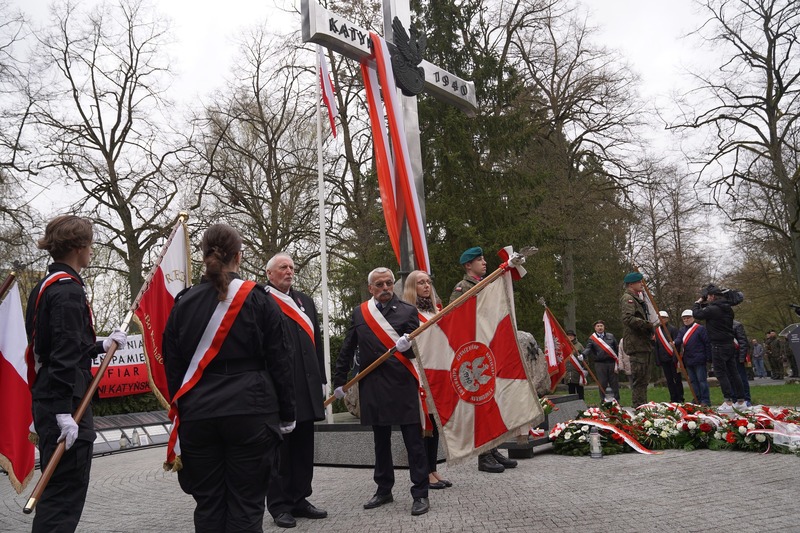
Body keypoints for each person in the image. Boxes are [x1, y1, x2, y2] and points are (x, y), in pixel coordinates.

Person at [163, 223, 295, 532]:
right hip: (251, 411)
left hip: (199, 413)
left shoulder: (183, 303)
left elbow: (172, 364)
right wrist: (288, 414)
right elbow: (280, 360)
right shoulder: (261, 299)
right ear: (238, 256)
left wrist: (185, 408)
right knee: (247, 506)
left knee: (208, 505)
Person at [25, 215, 126, 533]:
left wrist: (100, 345)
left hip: (54, 397)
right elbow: (62, 356)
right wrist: (62, 412)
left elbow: (64, 345)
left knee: (57, 493)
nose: (92, 251)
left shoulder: (46, 286)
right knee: (63, 498)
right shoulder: (68, 291)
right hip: (66, 403)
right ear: (80, 247)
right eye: (91, 244)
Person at [333, 267, 430, 516]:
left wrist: (408, 347)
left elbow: (419, 352)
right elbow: (347, 348)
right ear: (371, 288)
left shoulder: (408, 311)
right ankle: (383, 489)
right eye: (380, 284)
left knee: (413, 442)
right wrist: (339, 381)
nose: (386, 288)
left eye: (388, 283)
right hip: (373, 385)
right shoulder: (360, 313)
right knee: (380, 442)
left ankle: (420, 493)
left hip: (402, 382)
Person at [265, 253, 327, 528]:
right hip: (279, 387)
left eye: (291, 267)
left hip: (307, 384)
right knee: (281, 451)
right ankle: (279, 505)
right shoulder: (262, 300)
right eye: (283, 267)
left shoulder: (306, 301)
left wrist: (323, 380)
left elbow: (317, 343)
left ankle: (300, 498)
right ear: (270, 274)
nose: (289, 271)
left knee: (304, 446)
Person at [448, 246, 517, 474]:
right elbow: (455, 317)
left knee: (492, 400)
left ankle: (493, 447)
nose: (484, 262)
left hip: (488, 346)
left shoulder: (487, 283)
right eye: (479, 260)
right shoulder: (463, 288)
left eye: (484, 259)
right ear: (468, 266)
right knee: (481, 401)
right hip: (475, 351)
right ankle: (483, 455)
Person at [402, 269, 452, 490]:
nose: (425, 286)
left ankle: (433, 468)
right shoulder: (407, 312)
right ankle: (424, 473)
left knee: (436, 423)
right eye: (420, 282)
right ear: (412, 287)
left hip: (438, 372)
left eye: (428, 282)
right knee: (424, 425)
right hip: (419, 373)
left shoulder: (437, 310)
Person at [693, 284, 746, 414]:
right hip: (729, 344)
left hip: (718, 345)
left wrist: (698, 302)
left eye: (709, 296)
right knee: (734, 373)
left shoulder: (713, 309)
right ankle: (741, 401)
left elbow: (697, 314)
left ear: (712, 296)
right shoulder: (727, 308)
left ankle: (728, 401)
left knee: (721, 373)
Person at [620, 272, 654, 407]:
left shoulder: (638, 299)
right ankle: (639, 406)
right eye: (640, 282)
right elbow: (628, 318)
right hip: (636, 343)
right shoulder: (628, 298)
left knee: (644, 379)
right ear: (631, 284)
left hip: (642, 343)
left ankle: (642, 405)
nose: (642, 285)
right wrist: (647, 325)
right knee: (639, 378)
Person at [674, 309, 711, 406]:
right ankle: (697, 398)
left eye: (687, 318)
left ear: (692, 318)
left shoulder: (700, 329)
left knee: (702, 381)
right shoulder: (682, 330)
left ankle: (705, 400)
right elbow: (679, 339)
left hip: (699, 358)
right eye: (684, 319)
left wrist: (708, 357)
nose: (686, 320)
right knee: (693, 381)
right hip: (688, 359)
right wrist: (673, 343)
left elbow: (707, 343)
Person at [580, 320, 620, 402]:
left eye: (601, 326)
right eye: (598, 326)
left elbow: (616, 348)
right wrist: (583, 355)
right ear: (595, 328)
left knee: (614, 383)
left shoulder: (610, 336)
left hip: (611, 362)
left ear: (604, 327)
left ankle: (617, 401)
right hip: (600, 364)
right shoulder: (592, 338)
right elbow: (588, 348)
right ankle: (603, 401)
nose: (600, 328)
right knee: (602, 383)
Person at [654, 310, 683, 403]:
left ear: (667, 319)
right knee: (669, 380)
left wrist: (675, 357)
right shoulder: (657, 331)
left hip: (673, 359)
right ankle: (673, 398)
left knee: (677, 379)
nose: (661, 320)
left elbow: (677, 345)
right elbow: (656, 346)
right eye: (660, 318)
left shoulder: (673, 329)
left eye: (663, 318)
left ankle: (680, 398)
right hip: (664, 359)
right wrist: (658, 359)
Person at [732, 320, 752, 406]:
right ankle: (734, 399)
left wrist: (742, 357)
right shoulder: (720, 325)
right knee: (730, 379)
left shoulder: (737, 325)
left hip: (737, 356)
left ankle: (746, 398)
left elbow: (743, 342)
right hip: (727, 356)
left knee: (741, 378)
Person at [564, 330, 585, 400]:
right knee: (571, 390)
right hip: (568, 370)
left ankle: (582, 404)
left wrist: (583, 358)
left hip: (577, 370)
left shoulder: (579, 345)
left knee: (579, 389)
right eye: (568, 335)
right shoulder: (564, 345)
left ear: (574, 336)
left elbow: (585, 357)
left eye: (571, 335)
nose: (570, 337)